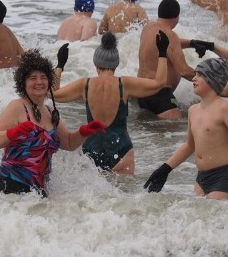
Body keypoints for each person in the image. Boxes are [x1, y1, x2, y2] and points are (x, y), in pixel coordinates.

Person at [144, 58, 228, 200]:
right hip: (201, 177)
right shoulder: (193, 110)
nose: (193, 78)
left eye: (199, 75)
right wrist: (165, 169)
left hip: (225, 175)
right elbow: (189, 146)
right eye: (195, 74)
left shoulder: (225, 108)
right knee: (201, 217)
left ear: (212, 80)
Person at [0, 49, 106, 197]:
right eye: (33, 78)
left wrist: (84, 132)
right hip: (9, 187)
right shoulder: (17, 107)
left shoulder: (50, 111)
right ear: (23, 82)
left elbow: (68, 143)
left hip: (39, 191)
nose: (39, 82)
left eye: (43, 77)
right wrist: (13, 133)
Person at [53, 31, 169, 174]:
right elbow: (160, 83)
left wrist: (60, 65)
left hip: (91, 150)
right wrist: (162, 53)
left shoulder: (85, 85)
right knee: (123, 196)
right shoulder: (124, 84)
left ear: (96, 62)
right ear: (116, 63)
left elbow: (54, 94)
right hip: (122, 151)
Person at [137, 0, 195, 120]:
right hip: (159, 93)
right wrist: (210, 79)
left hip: (141, 90)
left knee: (147, 131)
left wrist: (192, 43)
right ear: (176, 17)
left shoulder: (148, 28)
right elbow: (184, 71)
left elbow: (162, 44)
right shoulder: (171, 35)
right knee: (175, 128)